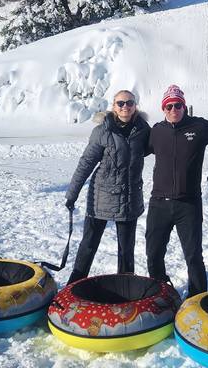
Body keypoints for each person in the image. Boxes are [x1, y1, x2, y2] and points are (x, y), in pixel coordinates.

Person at [145, 84, 208, 297]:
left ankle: (197, 298)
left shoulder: (198, 127)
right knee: (153, 254)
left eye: (178, 105)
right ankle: (160, 294)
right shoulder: (156, 131)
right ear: (163, 109)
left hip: (188, 204)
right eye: (169, 106)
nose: (174, 110)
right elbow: (132, 145)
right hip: (159, 203)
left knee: (193, 255)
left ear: (184, 106)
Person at [64, 90, 150, 284]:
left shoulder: (143, 130)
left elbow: (161, 144)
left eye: (129, 103)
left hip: (129, 198)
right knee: (88, 245)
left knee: (126, 250)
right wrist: (72, 194)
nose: (125, 107)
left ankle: (126, 288)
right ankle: (72, 287)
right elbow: (86, 163)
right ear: (113, 106)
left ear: (135, 105)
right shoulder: (102, 131)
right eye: (120, 103)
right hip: (101, 198)